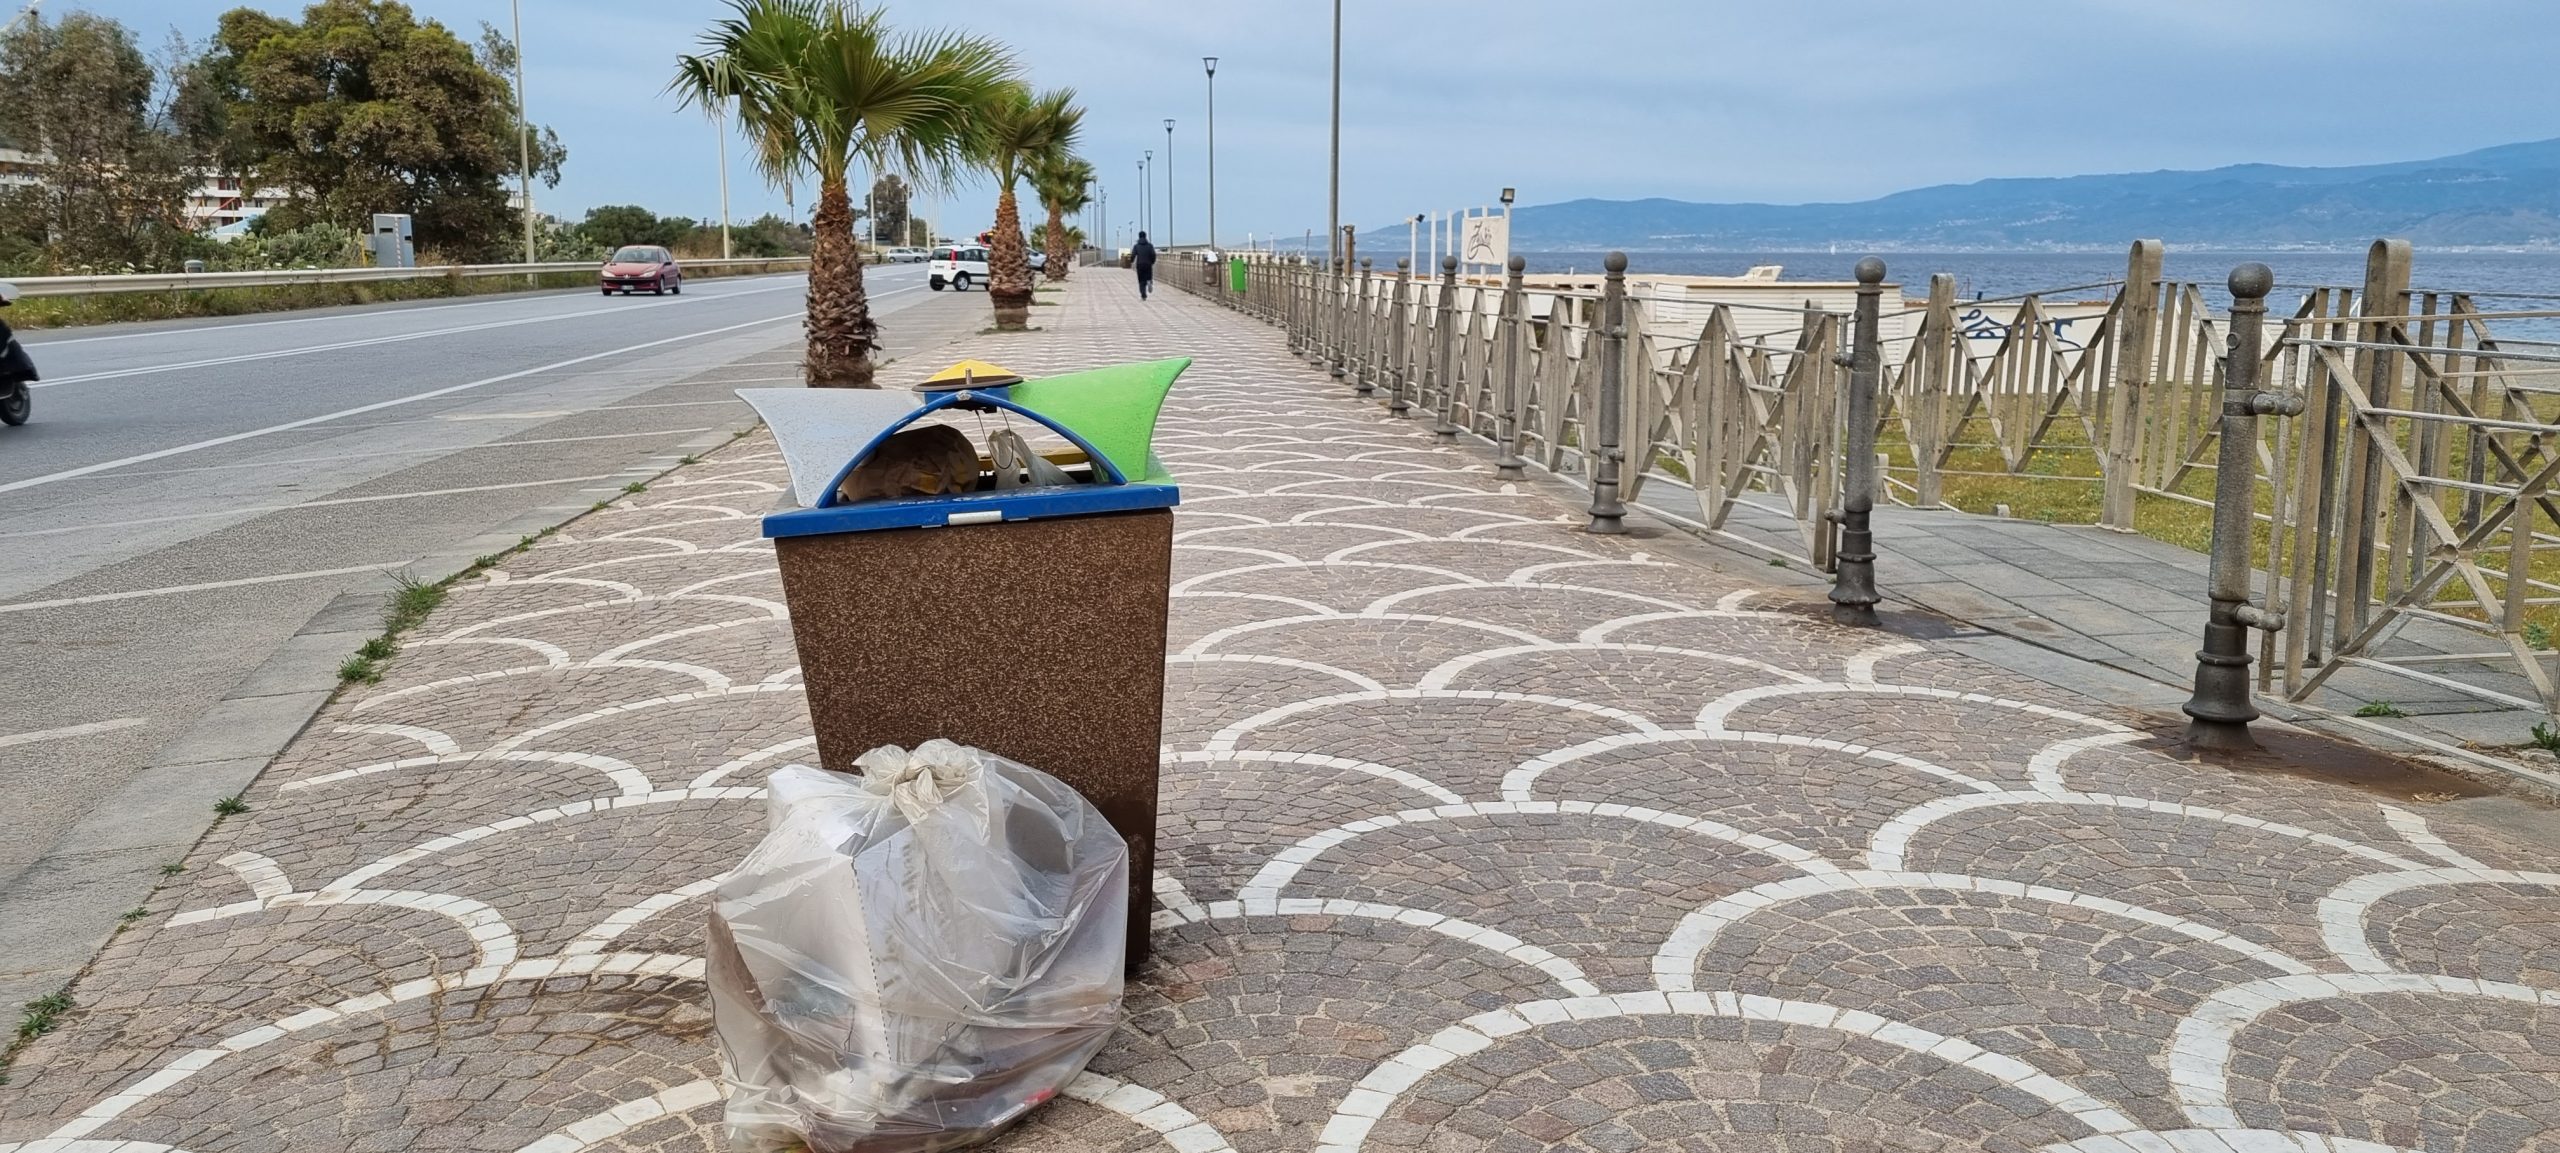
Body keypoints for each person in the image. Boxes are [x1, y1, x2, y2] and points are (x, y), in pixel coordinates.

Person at [1131, 231, 1157, 300]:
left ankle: (1143, 295)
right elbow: (1153, 254)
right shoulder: (1150, 245)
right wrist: (1152, 261)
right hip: (1148, 264)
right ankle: (1149, 281)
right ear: (1145, 236)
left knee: (1141, 280)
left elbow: (1133, 255)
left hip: (1140, 265)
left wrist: (1131, 260)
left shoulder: (1136, 246)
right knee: (1148, 276)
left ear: (1139, 237)